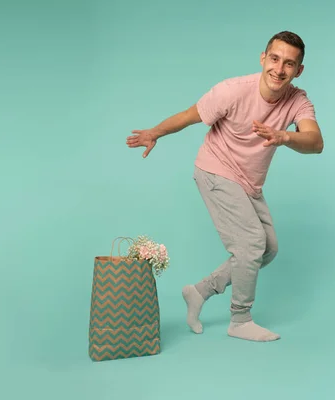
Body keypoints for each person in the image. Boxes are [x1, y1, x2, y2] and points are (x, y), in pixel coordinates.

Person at [126, 31, 323, 342]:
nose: (279, 69)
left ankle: (199, 292)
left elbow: (315, 142)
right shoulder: (232, 91)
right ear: (263, 58)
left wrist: (285, 136)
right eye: (274, 59)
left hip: (249, 183)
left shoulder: (297, 100)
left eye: (289, 63)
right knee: (251, 244)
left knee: (267, 250)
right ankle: (240, 319)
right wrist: (154, 132)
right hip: (215, 171)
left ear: (298, 70)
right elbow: (190, 116)